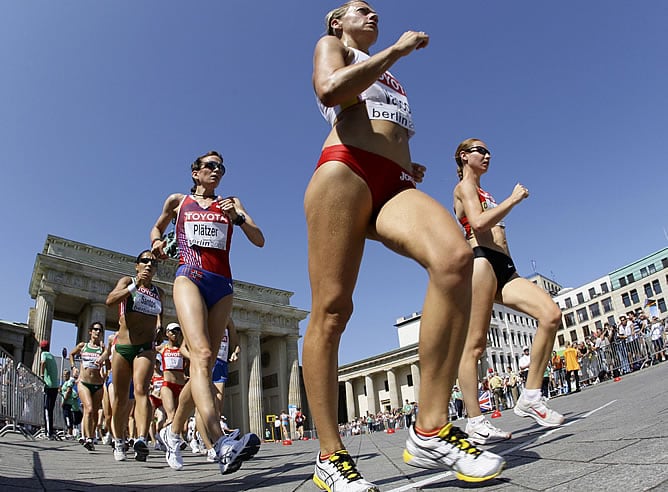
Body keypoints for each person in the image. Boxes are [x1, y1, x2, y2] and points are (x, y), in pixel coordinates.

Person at [304, 4, 504, 490]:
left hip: (393, 181)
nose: (372, 14)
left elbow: (387, 126)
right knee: (332, 310)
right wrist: (396, 50)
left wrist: (406, 166)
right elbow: (331, 89)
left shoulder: (390, 77)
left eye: (375, 11)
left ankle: (430, 426)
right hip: (343, 171)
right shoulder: (333, 47)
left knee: (455, 260)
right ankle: (330, 455)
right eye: (360, 9)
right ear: (338, 23)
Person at [151, 150, 264, 474]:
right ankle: (220, 442)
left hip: (223, 285)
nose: (217, 171)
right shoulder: (178, 201)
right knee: (200, 355)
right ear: (195, 172)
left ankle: (172, 432)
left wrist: (238, 219)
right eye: (211, 166)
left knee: (203, 365)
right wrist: (158, 243)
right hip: (189, 275)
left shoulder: (231, 202)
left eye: (222, 167)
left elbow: (259, 240)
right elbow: (155, 230)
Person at [453, 137, 564, 445]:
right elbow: (477, 222)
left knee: (551, 314)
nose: (487, 155)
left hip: (505, 267)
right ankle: (475, 420)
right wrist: (512, 200)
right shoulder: (464, 188)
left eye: (489, 151)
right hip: (481, 263)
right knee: (475, 346)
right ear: (464, 156)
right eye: (480, 150)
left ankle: (530, 396)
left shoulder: (483, 191)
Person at [106, 250, 164, 462]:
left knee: (141, 390)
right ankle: (119, 440)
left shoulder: (160, 292)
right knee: (121, 400)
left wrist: (160, 329)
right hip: (123, 348)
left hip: (145, 348)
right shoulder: (126, 281)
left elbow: (160, 316)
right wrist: (134, 287)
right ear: (137, 265)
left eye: (153, 263)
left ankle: (141, 438)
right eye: (145, 261)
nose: (149, 265)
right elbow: (110, 300)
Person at [69, 321, 106, 451]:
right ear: (90, 331)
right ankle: (88, 437)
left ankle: (90, 436)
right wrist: (74, 367)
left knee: (94, 413)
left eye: (100, 330)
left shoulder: (103, 349)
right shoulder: (83, 346)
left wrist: (105, 374)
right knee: (88, 409)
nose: (97, 332)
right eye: (95, 329)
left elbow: (109, 364)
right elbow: (71, 354)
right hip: (84, 383)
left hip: (97, 384)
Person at [158, 323, 189, 424]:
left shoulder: (183, 350)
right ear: (167, 333)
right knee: (171, 416)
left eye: (178, 331)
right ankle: (163, 435)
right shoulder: (162, 348)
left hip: (181, 386)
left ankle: (173, 437)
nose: (176, 334)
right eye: (173, 331)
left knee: (181, 421)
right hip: (167, 385)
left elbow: (190, 363)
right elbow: (148, 351)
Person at [39, 340, 59, 440]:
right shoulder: (51, 355)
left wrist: (42, 375)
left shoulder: (44, 354)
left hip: (49, 385)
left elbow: (43, 362)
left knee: (47, 409)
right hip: (55, 385)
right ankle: (50, 430)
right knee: (50, 409)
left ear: (41, 348)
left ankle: (48, 433)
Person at [60, 369, 78, 440]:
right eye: (64, 375)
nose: (65, 376)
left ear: (68, 374)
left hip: (67, 402)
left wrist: (64, 401)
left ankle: (70, 432)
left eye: (66, 374)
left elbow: (68, 391)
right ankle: (68, 431)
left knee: (67, 416)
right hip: (66, 402)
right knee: (66, 416)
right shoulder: (65, 382)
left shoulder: (70, 382)